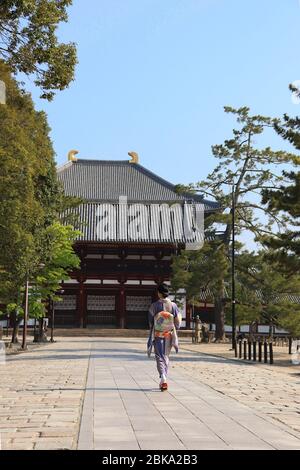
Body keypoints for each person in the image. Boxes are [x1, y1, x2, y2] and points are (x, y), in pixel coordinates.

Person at [148, 283, 181, 391]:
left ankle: (163, 376)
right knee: (166, 355)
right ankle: (164, 377)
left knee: (159, 356)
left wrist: (154, 328)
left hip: (158, 334)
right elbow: (177, 321)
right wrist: (173, 328)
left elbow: (150, 321)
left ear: (159, 293)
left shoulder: (154, 306)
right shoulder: (173, 306)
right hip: (169, 334)